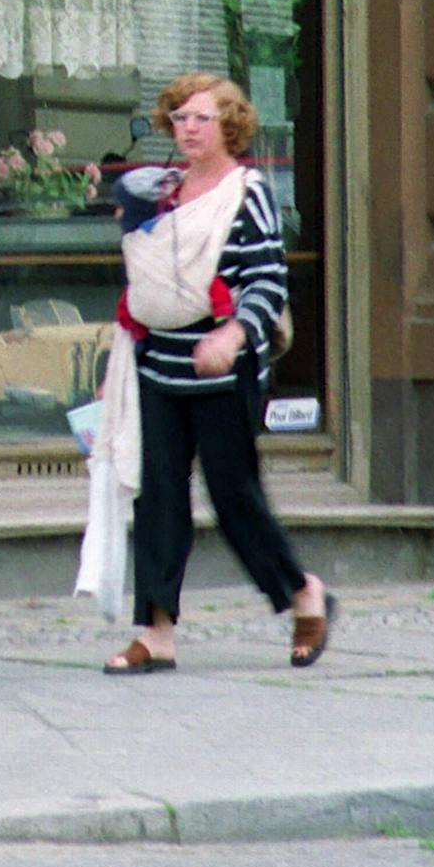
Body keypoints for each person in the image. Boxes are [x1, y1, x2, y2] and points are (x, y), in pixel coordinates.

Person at [102, 72, 335, 675]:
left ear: (228, 125)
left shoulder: (247, 192)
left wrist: (233, 334)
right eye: (179, 118)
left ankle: (301, 592)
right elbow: (145, 278)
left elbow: (267, 279)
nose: (188, 128)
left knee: (234, 498)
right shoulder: (162, 192)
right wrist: (121, 358)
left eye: (201, 118)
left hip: (221, 373)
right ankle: (155, 632)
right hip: (158, 366)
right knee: (158, 499)